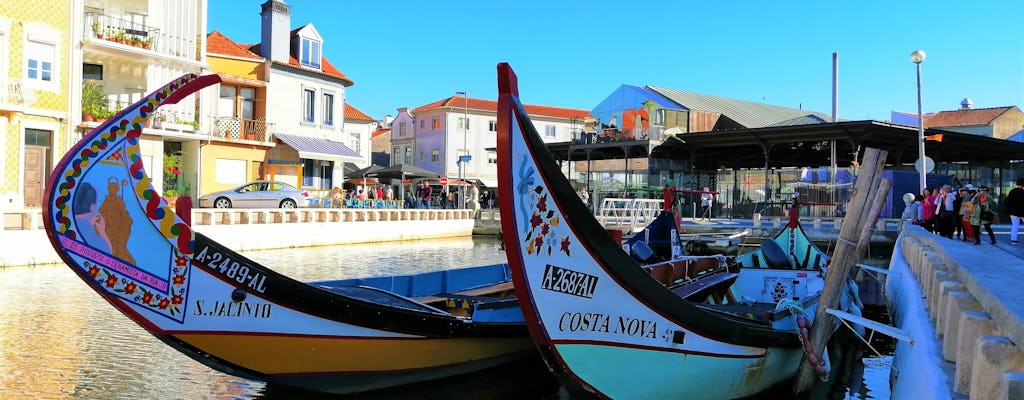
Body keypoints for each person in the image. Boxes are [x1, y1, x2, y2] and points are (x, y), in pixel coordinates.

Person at [1006, 178, 1024, 244]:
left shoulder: (1012, 191)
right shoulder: (1023, 192)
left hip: (1013, 212)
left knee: (1015, 225)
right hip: (1022, 212)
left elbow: (1008, 202)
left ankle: (1013, 240)